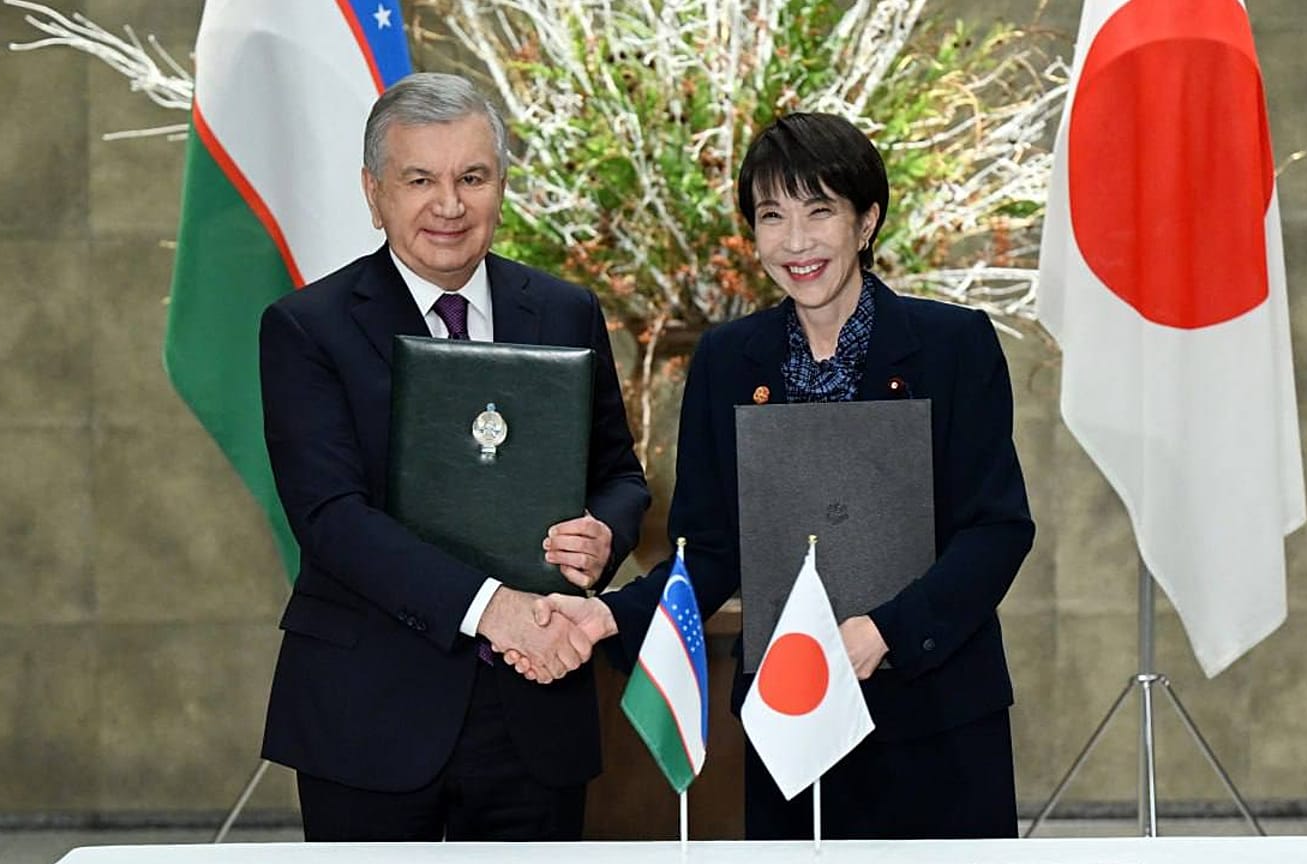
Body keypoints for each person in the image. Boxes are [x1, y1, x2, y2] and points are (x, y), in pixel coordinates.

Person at [525, 113, 1033, 839]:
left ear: (866, 223)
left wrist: (882, 632)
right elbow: (709, 551)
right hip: (786, 718)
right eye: (772, 216)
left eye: (820, 210)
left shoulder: (952, 348)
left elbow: (995, 530)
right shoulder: (730, 361)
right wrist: (611, 614)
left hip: (937, 719)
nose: (795, 242)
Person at [257, 72, 650, 842]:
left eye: (472, 177)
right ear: (374, 194)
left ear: (501, 184)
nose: (449, 204)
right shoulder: (309, 328)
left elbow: (620, 475)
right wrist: (493, 609)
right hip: (368, 716)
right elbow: (331, 519)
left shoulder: (564, 310)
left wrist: (604, 533)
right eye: (419, 180)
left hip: (537, 703)